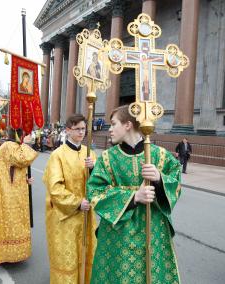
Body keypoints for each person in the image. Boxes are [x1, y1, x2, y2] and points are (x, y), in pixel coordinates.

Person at [86, 105, 182, 283]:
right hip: (118, 234)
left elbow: (176, 185)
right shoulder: (107, 158)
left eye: (114, 124)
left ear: (128, 125)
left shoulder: (160, 156)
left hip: (153, 230)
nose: (110, 129)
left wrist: (160, 179)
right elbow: (95, 192)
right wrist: (134, 197)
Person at [43, 114, 97, 283]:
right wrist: (77, 202)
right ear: (68, 130)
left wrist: (94, 169)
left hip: (87, 214)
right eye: (78, 129)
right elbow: (55, 188)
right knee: (67, 258)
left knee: (86, 253)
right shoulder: (57, 155)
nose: (82, 132)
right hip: (65, 216)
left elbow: (100, 184)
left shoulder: (91, 154)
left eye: (84, 128)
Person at [0, 129, 38, 265]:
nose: (29, 136)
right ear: (19, 134)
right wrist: (27, 144)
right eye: (26, 134)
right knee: (11, 221)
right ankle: (9, 254)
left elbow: (17, 168)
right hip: (10, 192)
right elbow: (23, 160)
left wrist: (26, 178)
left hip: (17, 190)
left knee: (19, 221)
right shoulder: (9, 146)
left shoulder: (13, 146)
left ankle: (18, 251)